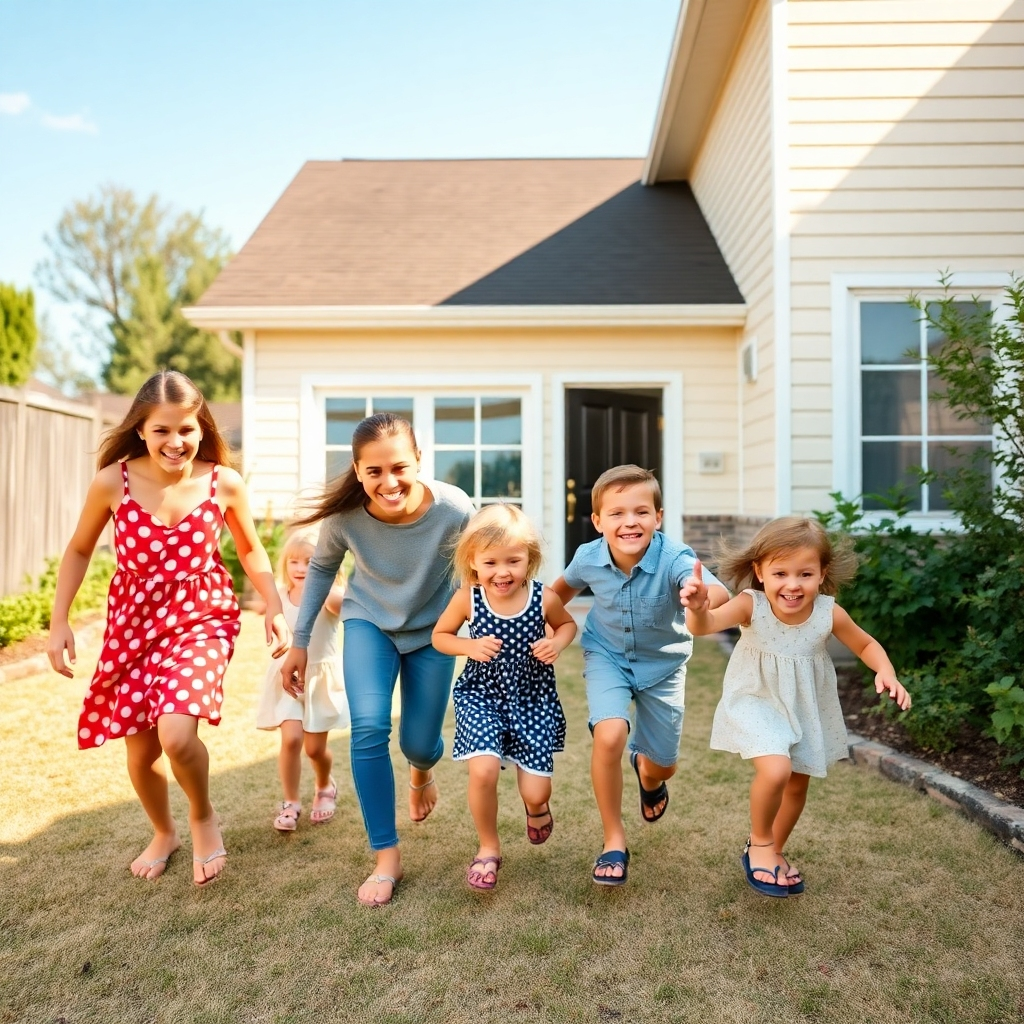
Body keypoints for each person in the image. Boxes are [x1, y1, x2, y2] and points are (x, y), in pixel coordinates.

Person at [47, 370, 289, 886]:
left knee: (177, 734)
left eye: (186, 430)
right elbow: (80, 549)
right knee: (140, 750)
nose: (175, 442)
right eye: (162, 430)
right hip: (132, 622)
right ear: (141, 429)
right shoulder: (114, 480)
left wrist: (273, 603)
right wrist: (59, 620)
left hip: (202, 615)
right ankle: (164, 831)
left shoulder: (223, 482)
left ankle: (202, 816)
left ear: (201, 428)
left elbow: (249, 547)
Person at [278, 412, 474, 906]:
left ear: (419, 462)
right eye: (374, 472)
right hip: (368, 621)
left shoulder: (454, 508)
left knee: (421, 743)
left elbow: (477, 568)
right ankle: (386, 856)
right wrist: (300, 640)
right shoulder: (345, 519)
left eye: (400, 468)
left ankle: (421, 772)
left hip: (433, 629)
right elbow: (322, 568)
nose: (389, 482)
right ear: (358, 470)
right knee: (367, 728)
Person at [680, 516, 912, 897]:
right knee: (776, 770)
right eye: (780, 573)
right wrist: (698, 607)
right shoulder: (749, 605)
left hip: (805, 707)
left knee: (796, 784)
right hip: (756, 699)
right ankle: (758, 844)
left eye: (805, 573)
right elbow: (704, 626)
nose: (792, 584)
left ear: (822, 574)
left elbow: (866, 645)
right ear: (760, 571)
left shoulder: (827, 612)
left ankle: (774, 848)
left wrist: (885, 670)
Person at [551, 465, 729, 886]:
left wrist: (700, 597)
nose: (629, 521)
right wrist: (542, 628)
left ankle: (648, 776)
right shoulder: (588, 557)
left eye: (641, 512)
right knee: (609, 734)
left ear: (658, 517)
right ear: (597, 522)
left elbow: (716, 591)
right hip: (606, 655)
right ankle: (614, 839)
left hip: (663, 667)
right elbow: (556, 594)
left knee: (663, 767)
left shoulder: (675, 558)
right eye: (616, 513)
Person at [432, 504, 577, 891]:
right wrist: (468, 646)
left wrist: (555, 642)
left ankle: (537, 807)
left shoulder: (543, 598)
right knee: (482, 770)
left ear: (529, 558)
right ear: (473, 561)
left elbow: (567, 624)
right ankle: (488, 848)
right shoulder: (469, 598)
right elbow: (439, 637)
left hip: (531, 698)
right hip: (482, 695)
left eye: (513, 560)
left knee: (536, 788)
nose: (502, 572)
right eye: (491, 562)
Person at [256, 527, 349, 832]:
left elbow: (345, 603)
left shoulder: (328, 596)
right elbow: (267, 610)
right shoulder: (280, 595)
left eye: (310, 562)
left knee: (314, 749)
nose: (301, 568)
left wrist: (329, 587)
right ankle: (291, 801)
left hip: (318, 681)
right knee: (291, 739)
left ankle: (324, 785)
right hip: (288, 680)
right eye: (295, 561)